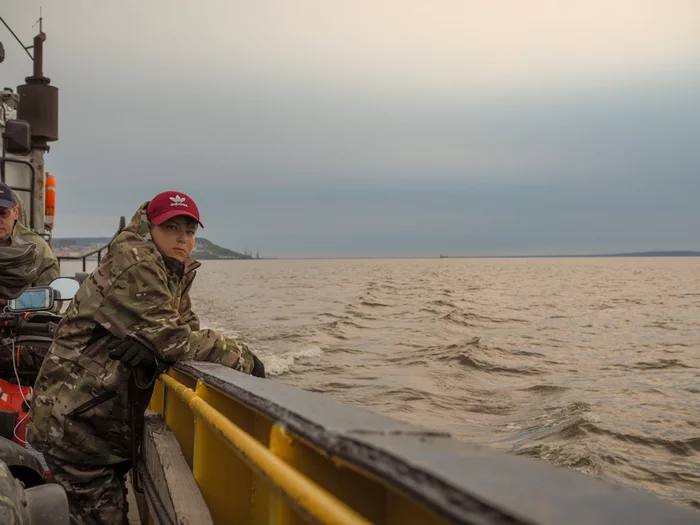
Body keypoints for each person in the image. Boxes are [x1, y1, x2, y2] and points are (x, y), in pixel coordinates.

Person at [27, 190, 266, 525]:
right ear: (150, 226)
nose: (182, 238)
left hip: (94, 423)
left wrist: (156, 349)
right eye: (171, 228)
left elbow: (175, 331)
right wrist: (244, 358)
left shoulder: (170, 268)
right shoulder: (136, 263)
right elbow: (175, 339)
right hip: (75, 430)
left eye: (190, 231)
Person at [0, 181, 60, 288]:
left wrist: (11, 300)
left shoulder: (38, 250)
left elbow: (51, 298)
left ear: (15, 212)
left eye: (2, 213)